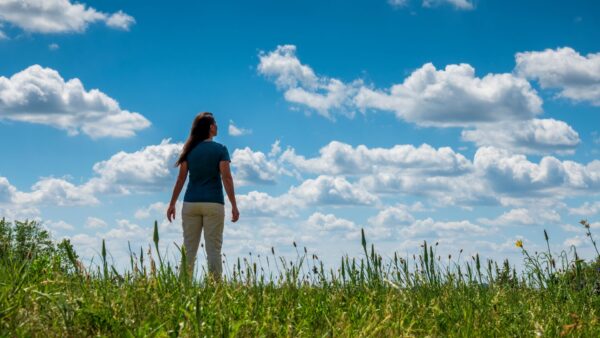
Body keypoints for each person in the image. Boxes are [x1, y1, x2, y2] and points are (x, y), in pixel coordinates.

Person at [167, 112, 239, 281]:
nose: (217, 126)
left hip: (191, 203)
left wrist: (172, 204)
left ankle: (183, 287)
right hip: (213, 203)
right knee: (213, 249)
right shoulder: (220, 150)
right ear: (210, 128)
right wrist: (234, 205)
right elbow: (226, 178)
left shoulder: (189, 150)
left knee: (189, 249)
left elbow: (181, 179)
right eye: (215, 124)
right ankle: (215, 289)